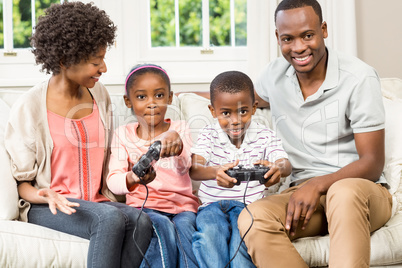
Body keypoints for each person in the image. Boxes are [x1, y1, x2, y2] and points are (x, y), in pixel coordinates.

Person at [237, 0, 393, 267]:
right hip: (305, 197)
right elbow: (235, 99)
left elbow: (372, 162)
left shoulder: (358, 77)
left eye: (307, 35)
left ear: (324, 29)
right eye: (288, 39)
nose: (298, 47)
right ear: (278, 37)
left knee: (342, 193)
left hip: (362, 192)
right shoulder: (274, 75)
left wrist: (317, 184)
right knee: (252, 217)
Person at [4, 2, 153, 268]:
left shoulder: (100, 95)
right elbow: (22, 185)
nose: (104, 68)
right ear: (65, 61)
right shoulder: (30, 107)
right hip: (50, 207)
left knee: (141, 220)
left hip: (95, 202)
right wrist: (45, 194)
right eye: (96, 62)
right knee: (109, 219)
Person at [190, 71, 291, 268]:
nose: (235, 120)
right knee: (209, 237)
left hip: (249, 207)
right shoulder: (209, 134)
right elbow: (194, 168)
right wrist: (215, 172)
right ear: (213, 111)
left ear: (254, 108)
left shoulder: (264, 134)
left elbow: (285, 163)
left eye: (243, 111)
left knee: (242, 244)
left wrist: (276, 168)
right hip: (211, 205)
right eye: (226, 113)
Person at [107, 64, 200, 268]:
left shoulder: (180, 129)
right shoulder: (123, 134)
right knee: (162, 226)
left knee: (186, 230)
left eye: (159, 95)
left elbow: (188, 167)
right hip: (144, 208)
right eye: (141, 97)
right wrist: (133, 178)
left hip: (182, 208)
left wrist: (177, 144)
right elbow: (113, 181)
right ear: (128, 101)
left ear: (169, 97)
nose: (151, 103)